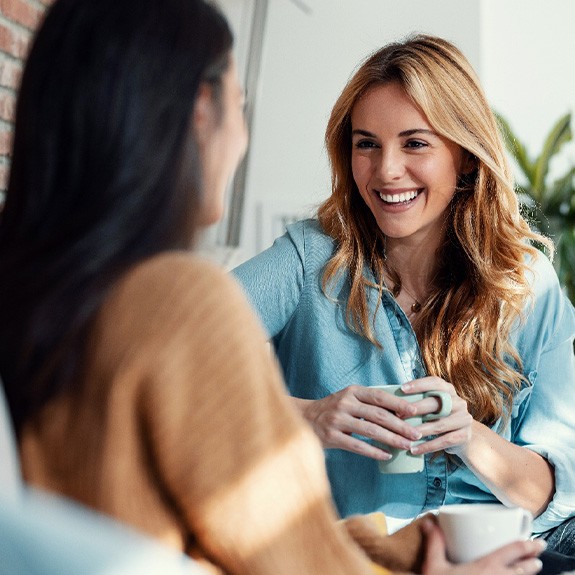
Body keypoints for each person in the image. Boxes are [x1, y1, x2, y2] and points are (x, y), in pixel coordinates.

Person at [0, 3, 549, 572]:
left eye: (415, 144)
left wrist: (407, 546)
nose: (387, 170)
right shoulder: (181, 300)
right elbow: (290, 555)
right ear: (200, 111)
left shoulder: (50, 299)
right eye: (241, 104)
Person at [232, 34, 575, 557]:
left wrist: (470, 439)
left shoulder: (525, 283)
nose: (387, 170)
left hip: (490, 561)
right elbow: (171, 353)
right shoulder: (310, 260)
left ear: (463, 155)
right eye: (366, 143)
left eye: (415, 143)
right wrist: (305, 417)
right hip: (352, 560)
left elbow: (549, 492)